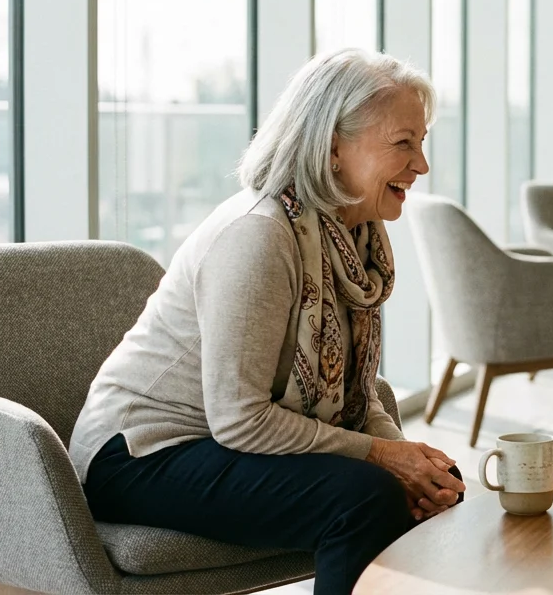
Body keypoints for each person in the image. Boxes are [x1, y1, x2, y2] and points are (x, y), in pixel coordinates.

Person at [69, 50, 465, 595]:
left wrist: (412, 461)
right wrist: (383, 456)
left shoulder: (355, 239)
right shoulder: (259, 234)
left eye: (422, 143)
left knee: (439, 486)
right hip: (140, 454)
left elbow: (357, 393)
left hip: (219, 441)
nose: (421, 165)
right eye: (403, 143)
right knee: (363, 497)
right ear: (332, 148)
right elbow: (240, 420)